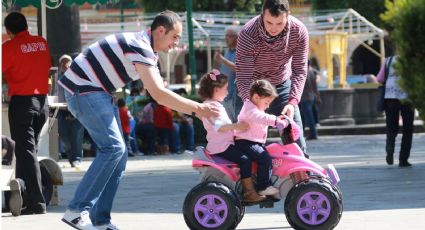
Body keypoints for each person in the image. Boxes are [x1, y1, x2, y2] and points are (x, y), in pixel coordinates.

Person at [58, 10, 219, 230]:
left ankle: (100, 220)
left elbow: (158, 91)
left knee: (119, 154)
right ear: (160, 31)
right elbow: (159, 94)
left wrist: (196, 109)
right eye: (175, 37)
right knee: (113, 148)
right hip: (84, 90)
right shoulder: (140, 46)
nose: (176, 44)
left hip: (96, 91)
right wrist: (198, 109)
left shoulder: (145, 48)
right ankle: (77, 211)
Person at [235, 0, 308, 152]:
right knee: (246, 142)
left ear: (288, 16)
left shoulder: (299, 31)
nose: (274, 28)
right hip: (253, 90)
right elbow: (243, 74)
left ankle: (302, 174)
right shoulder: (248, 33)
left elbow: (300, 69)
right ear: (262, 15)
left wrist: (292, 102)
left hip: (281, 86)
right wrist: (250, 103)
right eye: (269, 22)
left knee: (296, 141)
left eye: (279, 23)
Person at [2, 12, 51, 216]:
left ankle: (38, 202)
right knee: (26, 151)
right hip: (42, 103)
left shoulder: (9, 47)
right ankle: (23, 196)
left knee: (27, 152)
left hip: (23, 103)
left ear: (8, 31)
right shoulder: (41, 42)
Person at [198, 69, 266, 203]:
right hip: (221, 147)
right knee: (245, 159)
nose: (227, 92)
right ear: (216, 89)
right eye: (225, 89)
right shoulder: (212, 106)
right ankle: (249, 192)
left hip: (223, 144)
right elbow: (219, 127)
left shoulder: (212, 105)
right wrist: (238, 126)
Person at [235, 79, 289, 196]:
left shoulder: (255, 107)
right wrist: (275, 121)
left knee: (270, 154)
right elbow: (261, 118)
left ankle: (266, 182)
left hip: (253, 142)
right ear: (256, 97)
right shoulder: (249, 109)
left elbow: (263, 117)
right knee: (264, 158)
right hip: (245, 142)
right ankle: (263, 186)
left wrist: (279, 119)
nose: (268, 106)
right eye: (266, 102)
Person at [376, 55, 415, 167]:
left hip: (390, 97)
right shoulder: (411, 59)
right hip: (407, 97)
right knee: (407, 129)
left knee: (391, 127)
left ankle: (390, 147)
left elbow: (380, 79)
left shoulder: (389, 60)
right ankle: (403, 159)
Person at [56, 55, 85, 167]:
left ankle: (76, 158)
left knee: (76, 136)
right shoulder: (57, 78)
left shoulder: (78, 77)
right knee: (64, 136)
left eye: (67, 62)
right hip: (61, 110)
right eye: (63, 62)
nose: (65, 64)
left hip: (76, 110)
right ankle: (70, 156)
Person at [214, 26, 242, 122]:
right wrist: (218, 61)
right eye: (225, 36)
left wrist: (222, 59)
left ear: (237, 37)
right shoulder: (227, 51)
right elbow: (222, 70)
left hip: (236, 97)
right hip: (225, 96)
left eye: (229, 36)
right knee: (228, 127)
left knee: (237, 125)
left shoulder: (241, 51)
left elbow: (239, 69)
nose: (226, 38)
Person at [299, 62, 320, 140]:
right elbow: (315, 86)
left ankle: (313, 134)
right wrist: (317, 96)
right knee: (304, 117)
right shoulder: (311, 71)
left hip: (305, 97)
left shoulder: (304, 71)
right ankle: (301, 134)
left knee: (308, 117)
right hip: (310, 97)